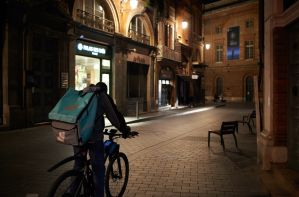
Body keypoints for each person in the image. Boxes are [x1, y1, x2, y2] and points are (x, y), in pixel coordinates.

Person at [72, 82, 136, 197]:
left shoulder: (82, 94)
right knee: (98, 170)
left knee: (78, 166)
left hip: (77, 137)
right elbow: (114, 115)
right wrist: (124, 130)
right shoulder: (101, 96)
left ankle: (73, 194)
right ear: (105, 90)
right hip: (94, 138)